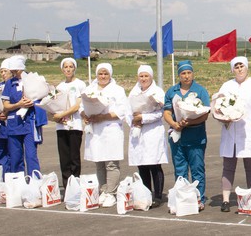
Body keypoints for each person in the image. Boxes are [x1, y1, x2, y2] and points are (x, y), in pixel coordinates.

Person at [214, 56, 251, 212]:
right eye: (236, 66)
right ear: (232, 69)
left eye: (241, 66)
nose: (239, 69)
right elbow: (218, 107)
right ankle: (225, 200)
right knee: (228, 165)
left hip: (249, 131)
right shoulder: (226, 86)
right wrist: (224, 119)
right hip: (230, 132)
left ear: (247, 67)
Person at [82, 62, 131, 208]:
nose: (103, 76)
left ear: (110, 75)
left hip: (110, 129)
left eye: (106, 74)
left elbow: (122, 110)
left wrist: (103, 117)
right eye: (100, 74)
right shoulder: (89, 89)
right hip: (95, 130)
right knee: (99, 162)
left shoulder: (118, 90)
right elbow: (81, 106)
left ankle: (112, 192)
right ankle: (103, 190)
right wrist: (84, 114)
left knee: (111, 163)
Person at [165, 60, 210, 210]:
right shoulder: (172, 91)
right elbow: (167, 112)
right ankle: (183, 198)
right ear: (179, 75)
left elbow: (205, 115)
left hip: (195, 137)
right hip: (177, 137)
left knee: (197, 169)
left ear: (193, 74)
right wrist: (174, 124)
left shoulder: (201, 91)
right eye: (183, 73)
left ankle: (199, 198)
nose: (186, 76)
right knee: (180, 170)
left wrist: (189, 122)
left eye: (189, 73)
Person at [129, 64, 168, 207]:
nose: (143, 79)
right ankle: (146, 193)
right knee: (142, 165)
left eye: (146, 76)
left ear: (151, 77)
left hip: (152, 132)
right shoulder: (134, 92)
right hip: (138, 132)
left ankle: (157, 196)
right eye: (141, 76)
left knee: (154, 164)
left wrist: (143, 118)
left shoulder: (157, 92)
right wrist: (134, 120)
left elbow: (160, 113)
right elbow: (128, 111)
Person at [0, 55, 39, 175]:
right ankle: (18, 182)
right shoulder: (9, 84)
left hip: (29, 123)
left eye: (16, 71)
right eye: (12, 71)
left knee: (31, 155)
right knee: (15, 156)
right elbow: (5, 105)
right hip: (14, 124)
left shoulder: (32, 80)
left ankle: (35, 181)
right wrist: (18, 104)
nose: (14, 73)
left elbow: (41, 98)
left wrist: (33, 102)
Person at [53, 58, 85, 179]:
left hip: (75, 125)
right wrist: (56, 117)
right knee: (64, 158)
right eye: (65, 67)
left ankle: (76, 182)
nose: (68, 69)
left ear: (74, 68)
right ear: (62, 69)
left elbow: (77, 105)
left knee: (74, 157)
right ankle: (67, 186)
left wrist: (62, 114)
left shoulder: (80, 84)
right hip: (61, 126)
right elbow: (54, 104)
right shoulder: (59, 86)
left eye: (70, 67)